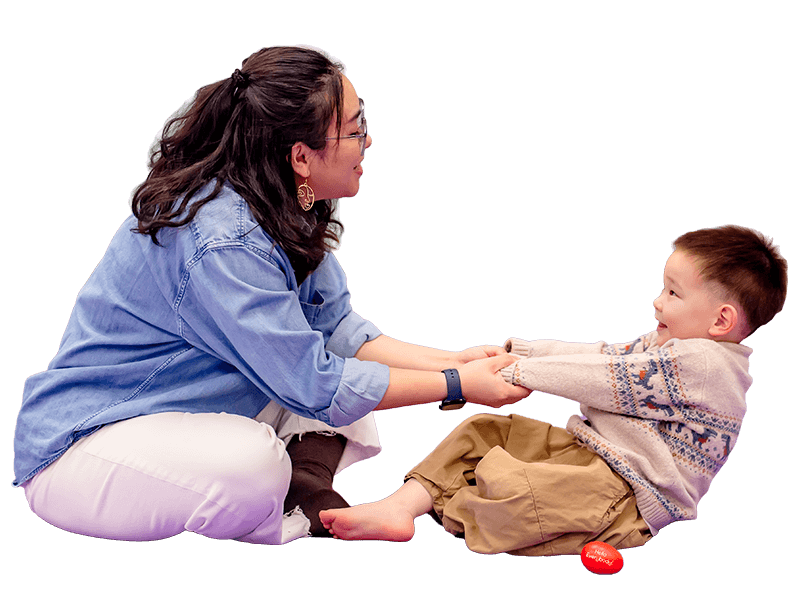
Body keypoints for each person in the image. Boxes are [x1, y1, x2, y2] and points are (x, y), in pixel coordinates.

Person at [12, 45, 530, 544]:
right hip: (91, 446)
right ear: (302, 156)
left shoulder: (286, 199)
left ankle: (309, 486)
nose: (367, 142)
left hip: (189, 407)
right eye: (355, 131)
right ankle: (285, 498)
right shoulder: (223, 238)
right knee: (258, 461)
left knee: (358, 377)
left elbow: (339, 331)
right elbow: (314, 384)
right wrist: (458, 385)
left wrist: (457, 359)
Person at [320, 224, 788, 555]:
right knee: (486, 430)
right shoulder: (672, 345)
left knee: (517, 489)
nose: (656, 301)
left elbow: (609, 383)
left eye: (672, 293)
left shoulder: (705, 363)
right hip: (591, 451)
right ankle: (400, 507)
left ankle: (465, 504)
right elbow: (605, 356)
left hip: (628, 493)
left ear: (721, 319)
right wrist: (524, 352)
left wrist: (519, 374)